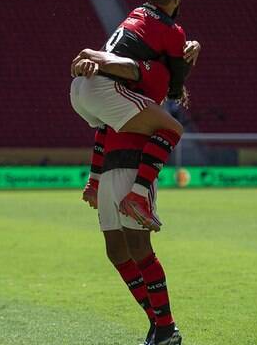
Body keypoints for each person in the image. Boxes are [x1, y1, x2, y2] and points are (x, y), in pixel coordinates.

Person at [70, 0, 201, 231]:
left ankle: (94, 183)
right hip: (102, 87)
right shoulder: (172, 30)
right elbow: (175, 85)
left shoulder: (135, 15)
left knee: (111, 122)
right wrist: (191, 52)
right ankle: (138, 197)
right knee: (172, 128)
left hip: (79, 89)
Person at [72, 52, 184, 345]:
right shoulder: (114, 94)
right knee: (116, 251)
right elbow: (101, 133)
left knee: (139, 247)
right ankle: (157, 321)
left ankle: (166, 326)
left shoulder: (144, 85)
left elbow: (175, 60)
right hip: (110, 167)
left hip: (134, 165)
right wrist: (93, 179)